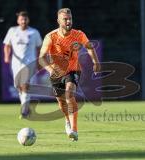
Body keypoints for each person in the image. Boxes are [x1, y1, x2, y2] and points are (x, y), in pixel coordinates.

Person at [39, 8, 101, 141]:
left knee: (69, 93)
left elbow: (89, 47)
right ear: (58, 21)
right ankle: (67, 120)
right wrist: (51, 70)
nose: (68, 21)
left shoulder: (78, 34)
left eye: (70, 19)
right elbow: (41, 57)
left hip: (73, 70)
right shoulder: (51, 37)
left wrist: (95, 62)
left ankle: (74, 130)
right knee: (62, 102)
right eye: (65, 19)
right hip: (56, 73)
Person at [3, 11, 42, 118]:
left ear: (28, 20)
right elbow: (7, 45)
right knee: (19, 86)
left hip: (29, 62)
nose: (23, 21)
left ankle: (24, 110)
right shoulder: (12, 31)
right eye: (21, 19)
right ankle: (26, 106)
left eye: (25, 19)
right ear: (18, 21)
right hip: (15, 63)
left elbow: (39, 47)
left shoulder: (34, 32)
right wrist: (6, 56)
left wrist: (39, 61)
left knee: (24, 84)